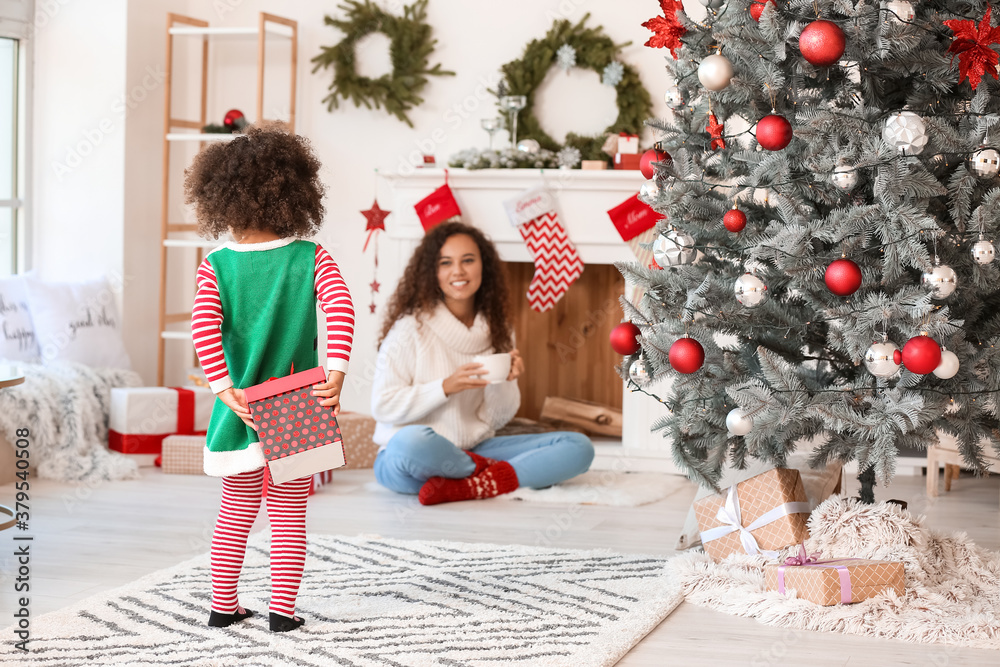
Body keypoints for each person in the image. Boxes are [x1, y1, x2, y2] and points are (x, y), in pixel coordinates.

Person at [186, 124, 355, 633]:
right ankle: (282, 615)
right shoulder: (311, 257)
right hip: (299, 401)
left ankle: (223, 607)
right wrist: (338, 373)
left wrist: (222, 386)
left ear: (219, 199)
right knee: (288, 515)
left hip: (238, 406)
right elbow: (341, 308)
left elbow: (203, 329)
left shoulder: (214, 265)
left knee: (234, 511)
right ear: (294, 195)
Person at [371, 221, 594, 505]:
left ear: (483, 266)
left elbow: (497, 419)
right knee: (409, 443)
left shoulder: (498, 328)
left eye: (468, 260)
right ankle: (488, 477)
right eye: (445, 263)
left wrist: (507, 382)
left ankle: (465, 485)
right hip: (413, 460)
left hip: (476, 448)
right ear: (432, 271)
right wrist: (445, 387)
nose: (458, 271)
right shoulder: (409, 329)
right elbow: (382, 405)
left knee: (578, 447)